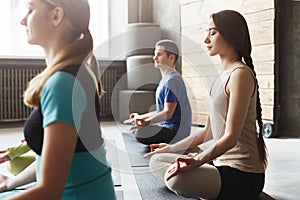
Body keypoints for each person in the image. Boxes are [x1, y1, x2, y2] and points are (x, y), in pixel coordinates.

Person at [144, 10, 268, 200]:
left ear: (231, 35)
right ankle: (205, 182)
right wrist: (169, 148)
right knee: (158, 160)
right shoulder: (221, 77)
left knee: (176, 180)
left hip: (243, 175)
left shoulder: (240, 74)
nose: (206, 39)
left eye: (212, 32)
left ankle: (204, 182)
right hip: (218, 165)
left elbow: (231, 137)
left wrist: (198, 160)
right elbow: (206, 133)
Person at [0, 0, 116, 199]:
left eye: (30, 10)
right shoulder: (80, 73)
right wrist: (10, 183)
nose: (22, 21)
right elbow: (63, 161)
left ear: (56, 15)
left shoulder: (62, 84)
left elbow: (50, 190)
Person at [129, 39, 192, 145]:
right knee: (136, 129)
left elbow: (168, 113)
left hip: (177, 133)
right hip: (166, 127)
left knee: (140, 132)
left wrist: (148, 122)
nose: (154, 58)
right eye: (155, 54)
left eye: (159, 54)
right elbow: (161, 111)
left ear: (171, 57)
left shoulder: (173, 80)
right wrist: (142, 117)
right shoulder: (166, 79)